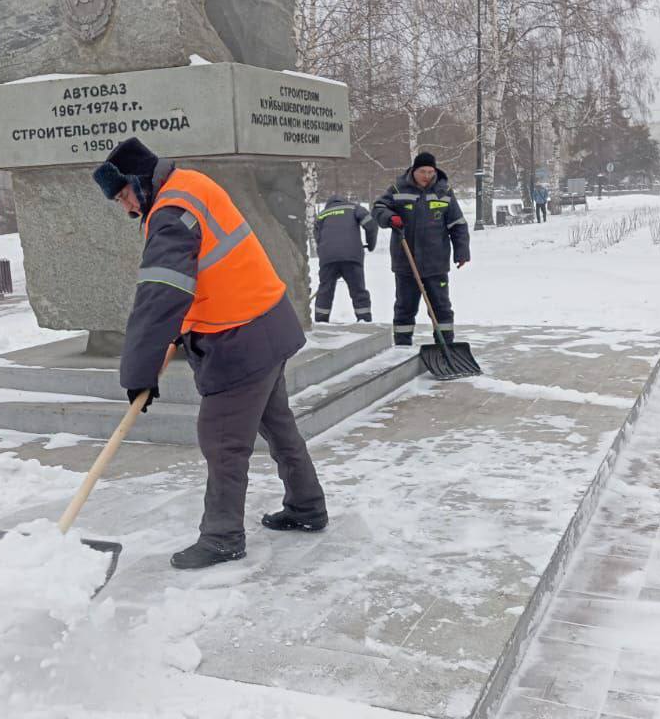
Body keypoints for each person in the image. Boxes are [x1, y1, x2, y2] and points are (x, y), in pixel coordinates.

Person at [93, 137, 327, 570]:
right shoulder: (190, 184)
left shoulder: (168, 215)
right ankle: (307, 507)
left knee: (222, 440)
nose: (126, 209)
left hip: (240, 339)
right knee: (278, 427)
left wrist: (139, 372)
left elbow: (161, 294)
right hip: (266, 324)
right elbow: (202, 277)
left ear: (139, 181)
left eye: (124, 195)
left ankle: (222, 537)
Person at [373, 150, 470, 346]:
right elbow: (378, 208)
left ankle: (445, 345)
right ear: (414, 171)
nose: (427, 176)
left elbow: (458, 224)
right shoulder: (398, 189)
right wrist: (390, 218)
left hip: (436, 263)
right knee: (404, 307)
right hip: (406, 262)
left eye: (430, 172)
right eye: (423, 172)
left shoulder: (444, 191)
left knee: (441, 307)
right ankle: (402, 345)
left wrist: (462, 252)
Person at [313, 194, 377, 323]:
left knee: (325, 290)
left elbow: (317, 237)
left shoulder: (322, 214)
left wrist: (327, 255)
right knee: (358, 290)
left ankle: (321, 321)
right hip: (351, 257)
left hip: (328, 258)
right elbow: (371, 224)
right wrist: (370, 244)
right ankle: (364, 320)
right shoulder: (354, 208)